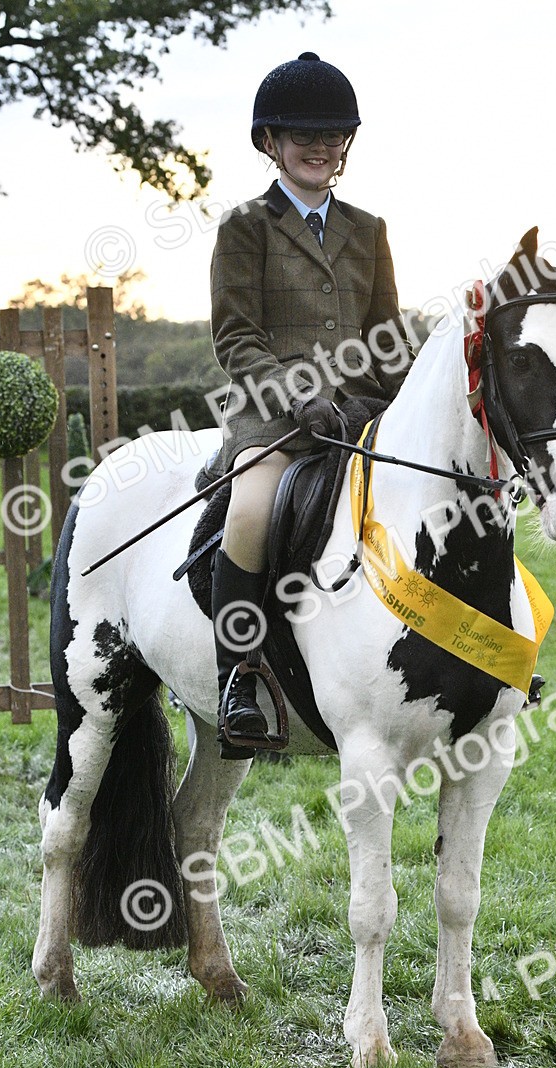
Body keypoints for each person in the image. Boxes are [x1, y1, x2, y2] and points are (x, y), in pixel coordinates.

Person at [209, 51, 414, 758]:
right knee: (252, 510)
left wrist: (413, 404)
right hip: (273, 415)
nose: (320, 148)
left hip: (357, 413)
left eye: (332, 136)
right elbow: (237, 336)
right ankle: (236, 673)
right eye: (303, 135)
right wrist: (297, 397)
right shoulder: (245, 228)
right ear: (271, 142)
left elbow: (385, 340)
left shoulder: (368, 228)